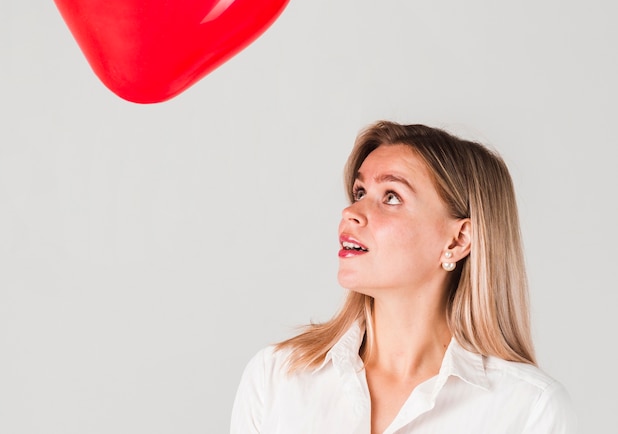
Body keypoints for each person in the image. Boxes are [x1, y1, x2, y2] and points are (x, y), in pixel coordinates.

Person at [230, 121, 577, 433]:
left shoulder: (528, 409)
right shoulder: (277, 378)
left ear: (457, 241)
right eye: (360, 193)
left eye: (391, 197)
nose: (351, 212)